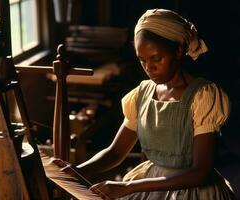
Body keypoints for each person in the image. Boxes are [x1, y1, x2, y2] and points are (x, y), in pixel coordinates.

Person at [59, 8, 237, 199]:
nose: (149, 68)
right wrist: (77, 171)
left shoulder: (202, 96)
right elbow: (116, 152)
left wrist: (129, 186)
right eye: (142, 60)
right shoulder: (142, 94)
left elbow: (200, 172)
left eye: (156, 59)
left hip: (192, 190)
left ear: (178, 50)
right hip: (152, 183)